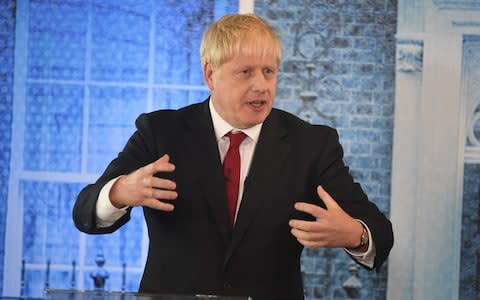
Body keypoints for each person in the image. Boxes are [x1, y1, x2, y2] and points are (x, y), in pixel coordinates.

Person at [73, 14, 393, 300]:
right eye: (246, 72)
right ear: (211, 75)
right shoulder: (160, 132)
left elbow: (380, 233)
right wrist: (119, 192)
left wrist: (354, 234)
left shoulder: (311, 144)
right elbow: (85, 211)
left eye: (269, 71)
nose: (261, 85)